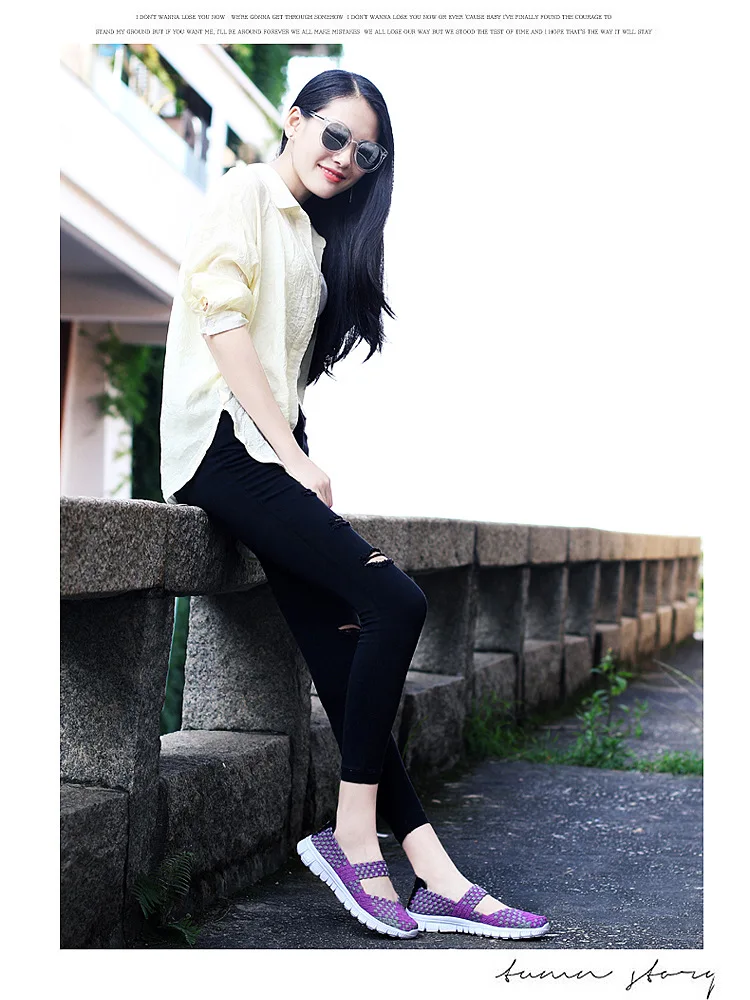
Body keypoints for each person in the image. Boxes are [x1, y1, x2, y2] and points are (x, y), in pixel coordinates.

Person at [159, 68, 548, 941]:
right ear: (294, 120)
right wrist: (296, 457)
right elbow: (222, 325)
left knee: (344, 660)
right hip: (225, 449)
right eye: (333, 135)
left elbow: (283, 364)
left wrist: (293, 449)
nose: (344, 157)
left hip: (265, 450)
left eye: (365, 153)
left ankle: (435, 874)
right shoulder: (247, 192)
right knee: (394, 600)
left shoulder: (312, 233)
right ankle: (351, 836)